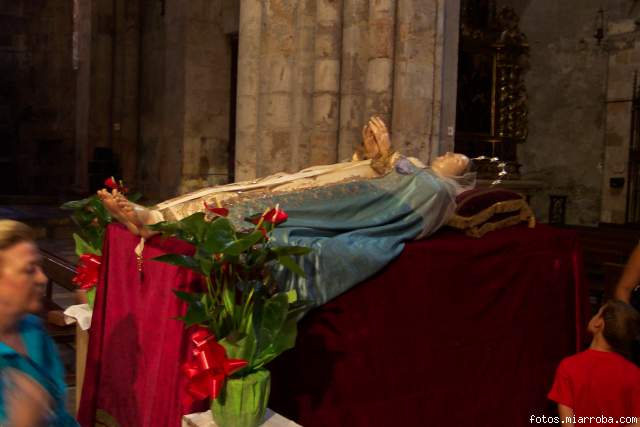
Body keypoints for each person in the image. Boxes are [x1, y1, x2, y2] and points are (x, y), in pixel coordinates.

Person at [97, 116, 474, 304]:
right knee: (243, 193)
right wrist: (377, 156)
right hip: (333, 192)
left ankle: (156, 222)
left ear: (459, 175)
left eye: (457, 158)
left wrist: (388, 157)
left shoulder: (436, 188)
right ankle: (158, 214)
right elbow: (388, 179)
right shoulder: (419, 172)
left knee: (248, 210)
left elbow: (386, 204)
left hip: (341, 208)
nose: (449, 154)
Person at [0, 220, 78, 426]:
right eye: (29, 269)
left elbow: (60, 415)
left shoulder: (32, 329)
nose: (42, 278)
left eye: (40, 267)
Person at [548, 300, 640, 426]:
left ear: (598, 323)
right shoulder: (633, 373)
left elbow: (567, 422)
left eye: (598, 313)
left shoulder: (569, 366)